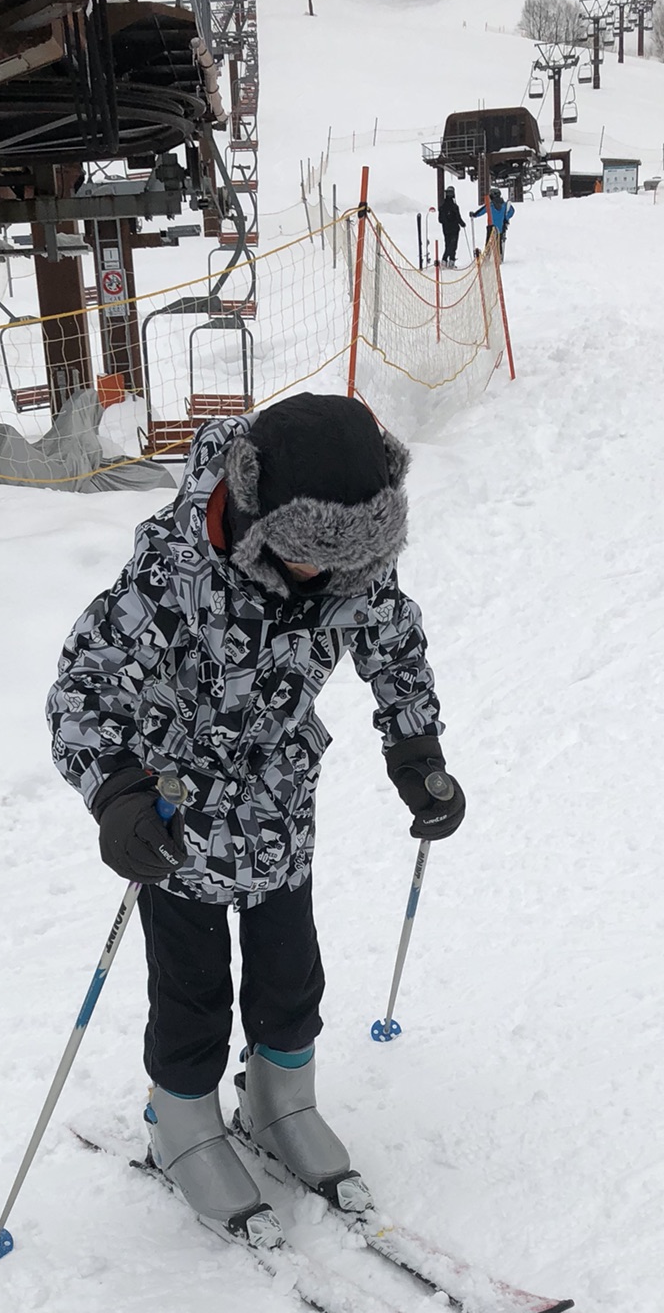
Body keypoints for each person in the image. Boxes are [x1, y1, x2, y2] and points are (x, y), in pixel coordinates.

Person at [46, 393, 466, 1243]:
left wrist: (416, 752)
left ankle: (280, 1100)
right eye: (308, 557)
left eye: (349, 562)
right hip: (178, 822)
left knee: (290, 977)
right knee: (191, 994)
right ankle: (181, 1117)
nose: (328, 578)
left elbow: (393, 642)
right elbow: (84, 685)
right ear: (255, 515)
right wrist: (116, 795)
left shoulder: (354, 562)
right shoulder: (175, 569)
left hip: (281, 811)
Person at [471, 186, 514, 259]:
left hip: (491, 226)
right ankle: (499, 256)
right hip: (500, 227)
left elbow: (482, 211)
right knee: (499, 242)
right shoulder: (504, 205)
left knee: (489, 241)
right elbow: (512, 211)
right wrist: (506, 218)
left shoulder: (490, 205)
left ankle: (487, 255)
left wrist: (474, 214)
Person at [439, 185, 464, 266]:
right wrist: (462, 223)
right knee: (453, 244)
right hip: (454, 229)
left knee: (448, 243)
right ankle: (450, 260)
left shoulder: (442, 207)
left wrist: (446, 222)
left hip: (446, 229)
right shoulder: (455, 206)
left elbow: (440, 220)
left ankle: (445, 260)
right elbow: (458, 217)